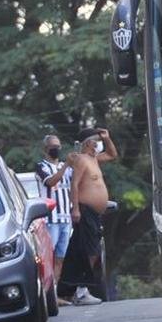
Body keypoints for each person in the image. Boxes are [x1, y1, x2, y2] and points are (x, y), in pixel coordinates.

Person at [63, 127, 118, 306]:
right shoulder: (81, 160)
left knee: (88, 249)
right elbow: (75, 185)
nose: (97, 143)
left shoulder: (94, 159)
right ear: (87, 143)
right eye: (95, 140)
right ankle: (81, 289)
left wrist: (107, 138)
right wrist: (76, 209)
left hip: (94, 213)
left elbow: (112, 155)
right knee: (90, 250)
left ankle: (77, 288)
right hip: (85, 210)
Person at [36, 134, 74, 307]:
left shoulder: (65, 167)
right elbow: (51, 182)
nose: (57, 149)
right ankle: (47, 294)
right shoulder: (41, 167)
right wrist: (66, 165)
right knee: (49, 258)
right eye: (53, 146)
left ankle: (55, 293)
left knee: (60, 258)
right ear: (45, 149)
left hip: (66, 217)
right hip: (51, 218)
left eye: (58, 146)